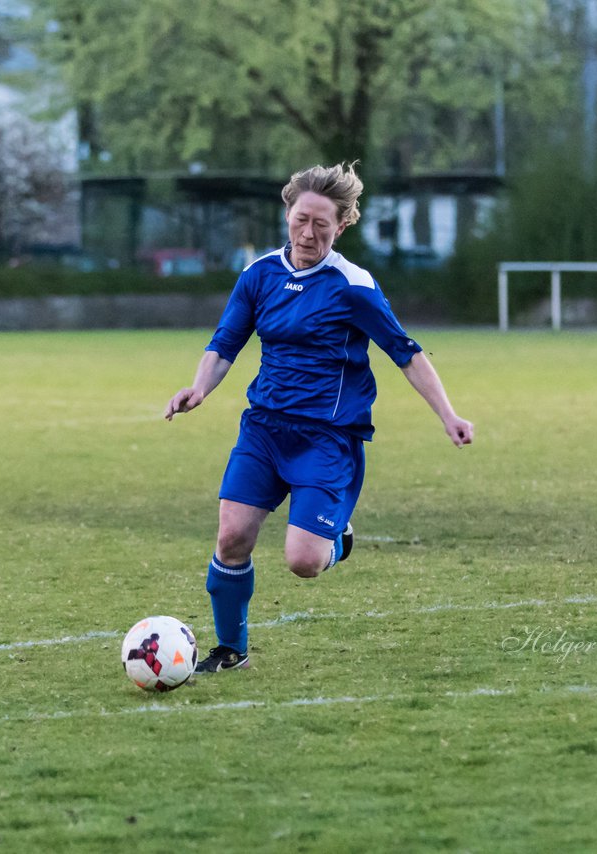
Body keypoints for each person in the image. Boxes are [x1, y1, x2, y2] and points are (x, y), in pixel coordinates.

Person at [164, 162, 473, 674]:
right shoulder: (259, 275)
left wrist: (449, 415)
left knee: (304, 563)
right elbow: (225, 344)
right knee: (231, 536)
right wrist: (199, 388)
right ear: (288, 211)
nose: (308, 233)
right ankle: (230, 649)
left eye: (321, 225)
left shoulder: (351, 285)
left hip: (326, 439)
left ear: (341, 226)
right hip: (264, 430)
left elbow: (406, 353)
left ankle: (338, 537)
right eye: (301, 219)